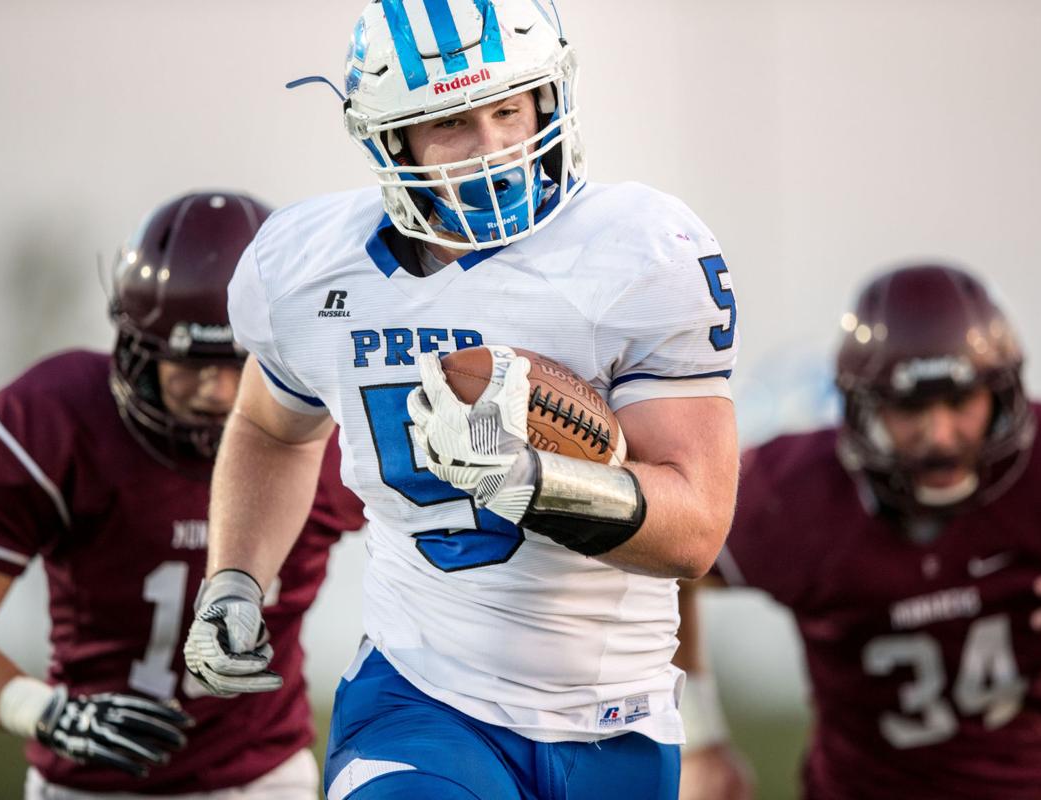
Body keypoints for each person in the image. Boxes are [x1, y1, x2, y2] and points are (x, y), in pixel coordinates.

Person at [180, 2, 741, 798]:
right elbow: (273, 429)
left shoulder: (641, 252)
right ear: (389, 137)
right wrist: (234, 577)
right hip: (420, 693)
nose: (496, 149)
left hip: (613, 720)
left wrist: (527, 484)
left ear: (549, 98)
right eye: (450, 123)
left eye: (509, 109)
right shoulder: (306, 270)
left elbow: (695, 528)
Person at [0, 191, 365, 798]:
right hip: (89, 781)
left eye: (240, 363)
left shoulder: (339, 430)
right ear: (138, 348)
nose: (217, 393)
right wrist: (49, 713)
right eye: (191, 364)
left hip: (262, 777)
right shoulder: (53, 422)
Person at [681, 263, 1041, 800]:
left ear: (1001, 391)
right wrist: (697, 737)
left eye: (960, 401)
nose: (939, 435)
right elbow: (664, 563)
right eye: (911, 407)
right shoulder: (799, 490)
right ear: (863, 404)